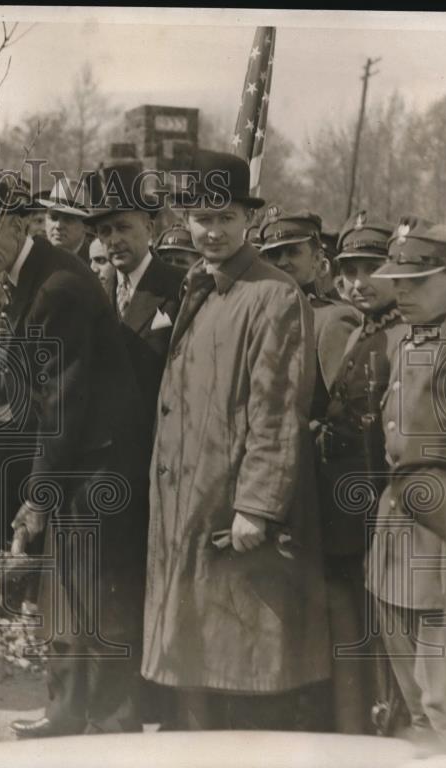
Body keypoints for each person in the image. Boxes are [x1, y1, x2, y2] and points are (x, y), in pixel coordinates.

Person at [0, 175, 149, 738]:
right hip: (73, 459)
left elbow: (64, 400)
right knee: (65, 590)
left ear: (18, 224)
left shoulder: (57, 286)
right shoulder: (26, 279)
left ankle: (112, 726)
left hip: (101, 463)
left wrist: (38, 498)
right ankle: (66, 717)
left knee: (99, 596)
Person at [143, 150, 330, 732]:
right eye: (201, 218)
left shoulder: (273, 295)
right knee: (196, 661)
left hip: (234, 515)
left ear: (247, 219)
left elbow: (278, 412)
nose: (213, 230)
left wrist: (257, 506)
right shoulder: (201, 287)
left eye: (225, 217)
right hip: (188, 505)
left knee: (244, 665)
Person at [367, 216, 446, 752]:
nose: (400, 292)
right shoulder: (404, 338)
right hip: (396, 540)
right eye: (396, 282)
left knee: (442, 708)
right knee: (412, 703)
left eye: (416, 281)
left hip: (442, 544)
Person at [313, 211, 407, 734]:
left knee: (385, 635)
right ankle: (354, 734)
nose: (356, 282)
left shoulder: (400, 339)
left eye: (370, 268)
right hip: (345, 513)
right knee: (351, 630)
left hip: (382, 508)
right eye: (347, 270)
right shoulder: (358, 335)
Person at [86, 162, 184, 435]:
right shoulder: (94, 293)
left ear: (149, 229)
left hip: (159, 446)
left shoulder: (180, 287)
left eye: (123, 227)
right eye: (105, 231)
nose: (114, 239)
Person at [259, 207, 361, 415]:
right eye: (274, 254)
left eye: (293, 252)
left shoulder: (332, 319)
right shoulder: (256, 316)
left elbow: (345, 410)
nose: (282, 262)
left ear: (316, 259)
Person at [37, 177, 94, 260]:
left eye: (68, 219)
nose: (58, 226)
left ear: (85, 226)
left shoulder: (95, 261)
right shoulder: (36, 257)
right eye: (53, 218)